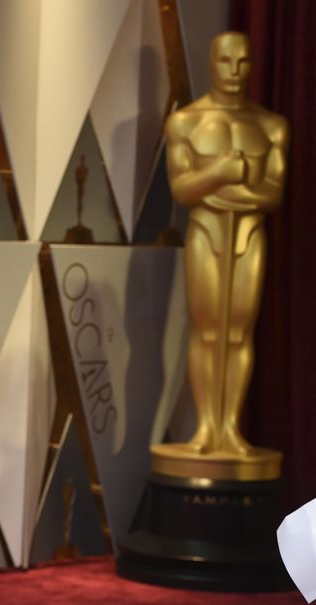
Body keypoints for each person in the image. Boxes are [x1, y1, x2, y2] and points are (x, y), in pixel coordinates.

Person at [164, 31, 288, 457]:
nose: (234, 71)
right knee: (206, 329)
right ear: (211, 62)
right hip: (207, 232)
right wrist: (221, 173)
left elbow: (273, 193)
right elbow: (182, 189)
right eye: (225, 61)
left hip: (248, 235)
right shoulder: (186, 122)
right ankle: (205, 428)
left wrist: (227, 190)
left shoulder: (271, 126)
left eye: (243, 62)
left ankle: (230, 427)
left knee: (237, 332)